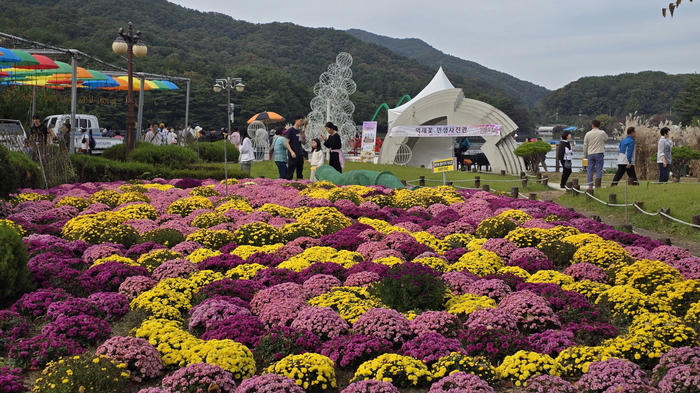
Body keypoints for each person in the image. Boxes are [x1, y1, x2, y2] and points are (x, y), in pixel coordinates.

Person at [582, 119, 608, 189]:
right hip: (599, 152)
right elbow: (606, 138)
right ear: (599, 125)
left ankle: (590, 185)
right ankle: (598, 185)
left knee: (590, 169)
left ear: (592, 125)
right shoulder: (602, 133)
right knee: (599, 169)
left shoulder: (588, 133)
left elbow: (585, 145)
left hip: (590, 153)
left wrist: (585, 154)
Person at [285, 115, 306, 180]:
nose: (301, 123)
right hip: (293, 153)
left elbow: (303, 142)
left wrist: (303, 137)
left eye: (302, 122)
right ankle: (288, 183)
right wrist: (291, 152)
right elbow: (287, 142)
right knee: (291, 170)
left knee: (300, 170)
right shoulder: (290, 130)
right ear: (296, 120)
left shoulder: (300, 131)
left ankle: (300, 183)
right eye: (300, 121)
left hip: (300, 152)